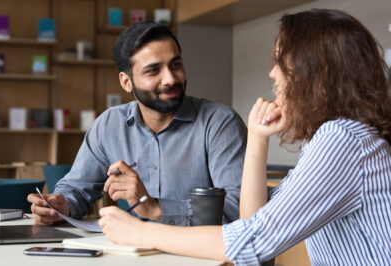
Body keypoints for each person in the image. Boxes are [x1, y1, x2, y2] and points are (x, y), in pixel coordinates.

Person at [97, 9, 391, 265]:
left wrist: (140, 231)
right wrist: (258, 138)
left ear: (314, 70)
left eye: (281, 61)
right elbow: (253, 222)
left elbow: (252, 243)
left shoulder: (342, 140)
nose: (273, 74)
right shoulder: (338, 138)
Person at [27, 21, 247, 226]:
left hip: (205, 255)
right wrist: (60, 204)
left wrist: (156, 209)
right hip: (135, 252)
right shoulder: (109, 125)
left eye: (176, 64)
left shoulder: (220, 123)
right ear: (126, 82)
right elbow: (77, 187)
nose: (170, 78)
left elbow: (241, 207)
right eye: (153, 70)